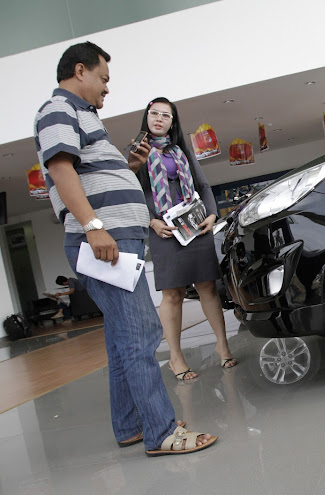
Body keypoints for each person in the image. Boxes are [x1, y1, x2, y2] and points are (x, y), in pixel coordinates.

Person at [33, 41, 216, 455]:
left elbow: (87, 172)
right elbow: (62, 170)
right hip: (104, 240)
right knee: (141, 332)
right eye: (103, 78)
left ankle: (132, 425)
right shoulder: (57, 110)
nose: (107, 88)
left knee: (121, 338)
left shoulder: (83, 116)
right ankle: (162, 431)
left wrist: (128, 168)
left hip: (114, 238)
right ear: (80, 71)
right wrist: (94, 227)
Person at [134, 97, 237, 381]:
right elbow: (133, 192)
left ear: (172, 121)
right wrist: (151, 221)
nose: (159, 118)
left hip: (194, 226)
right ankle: (176, 358)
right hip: (164, 230)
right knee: (173, 294)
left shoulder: (181, 150)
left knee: (208, 286)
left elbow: (203, 186)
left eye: (165, 115)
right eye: (154, 113)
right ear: (147, 118)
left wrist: (212, 214)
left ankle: (222, 345)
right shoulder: (137, 153)